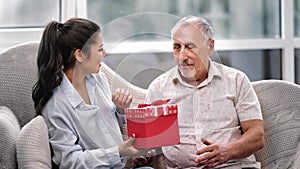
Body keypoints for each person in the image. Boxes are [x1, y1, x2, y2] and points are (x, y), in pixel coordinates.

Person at [144, 15, 265, 168]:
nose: (182, 56)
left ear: (210, 46)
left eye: (190, 47)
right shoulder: (159, 87)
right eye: (177, 47)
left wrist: (228, 150)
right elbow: (150, 144)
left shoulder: (236, 80)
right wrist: (144, 155)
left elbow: (257, 136)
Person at [32, 18, 150, 169]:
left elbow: (108, 127)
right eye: (100, 49)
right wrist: (118, 152)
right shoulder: (57, 107)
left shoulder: (98, 78)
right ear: (79, 55)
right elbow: (70, 161)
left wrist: (121, 109)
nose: (105, 53)